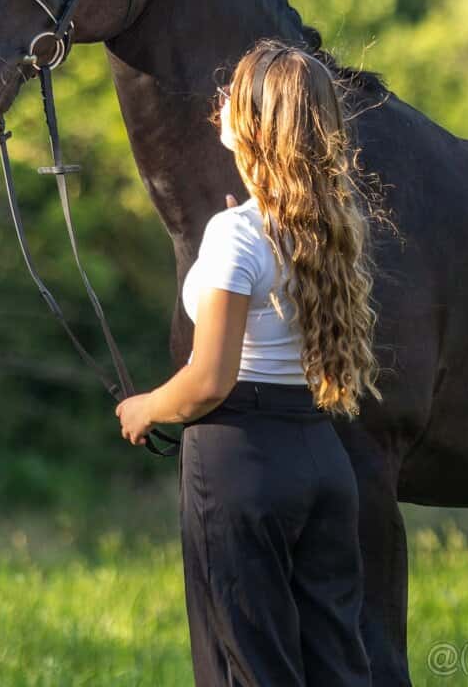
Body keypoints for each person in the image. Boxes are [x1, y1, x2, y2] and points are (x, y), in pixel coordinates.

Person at [116, 37, 384, 686]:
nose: (222, 99)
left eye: (234, 91)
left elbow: (210, 380)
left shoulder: (237, 234)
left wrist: (146, 407)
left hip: (243, 463)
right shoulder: (332, 222)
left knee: (249, 668)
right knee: (336, 665)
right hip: (323, 459)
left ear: (257, 123)